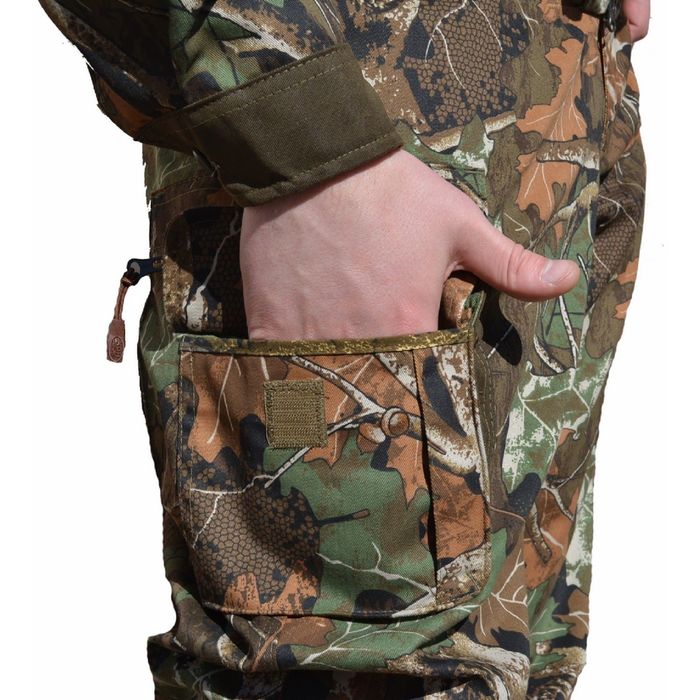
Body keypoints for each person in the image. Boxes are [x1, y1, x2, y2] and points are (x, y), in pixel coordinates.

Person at [39, 0, 649, 697]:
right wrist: (312, 147)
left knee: (515, 643)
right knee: (362, 661)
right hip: (352, 118)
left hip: (560, 86)